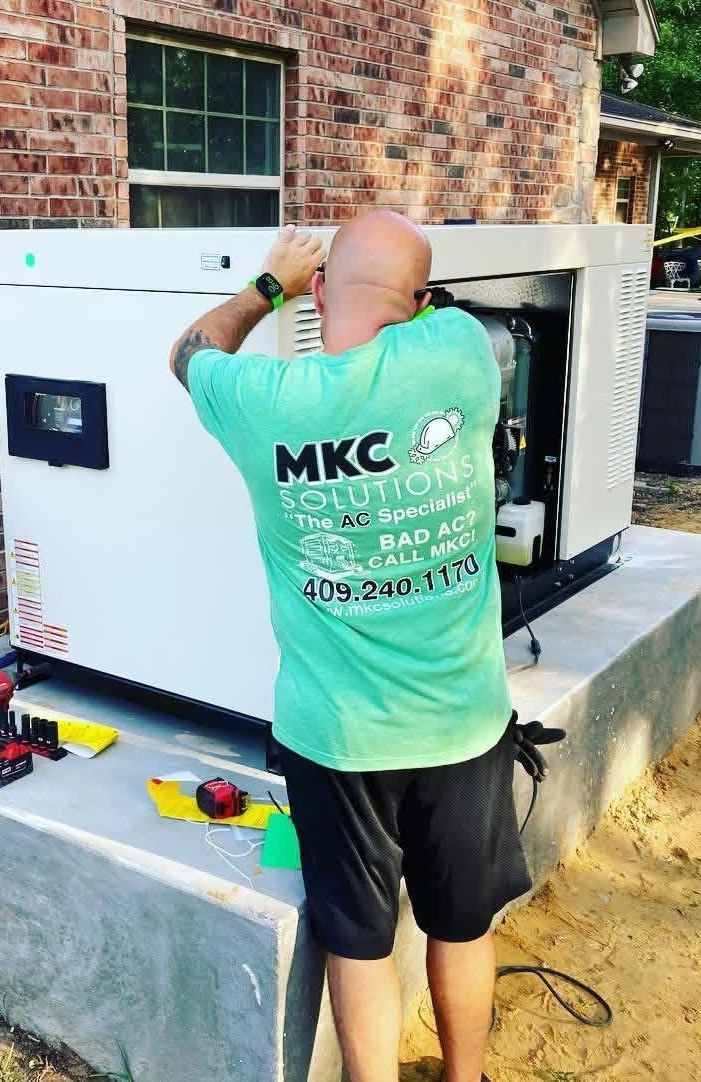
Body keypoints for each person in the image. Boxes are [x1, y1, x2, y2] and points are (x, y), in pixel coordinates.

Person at [170, 215, 530, 1082]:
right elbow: (438, 305)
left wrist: (269, 285)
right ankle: (464, 1077)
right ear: (419, 302)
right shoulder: (459, 355)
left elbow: (188, 352)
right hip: (463, 720)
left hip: (336, 735)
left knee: (359, 941)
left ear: (319, 291)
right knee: (462, 924)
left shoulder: (264, 403)